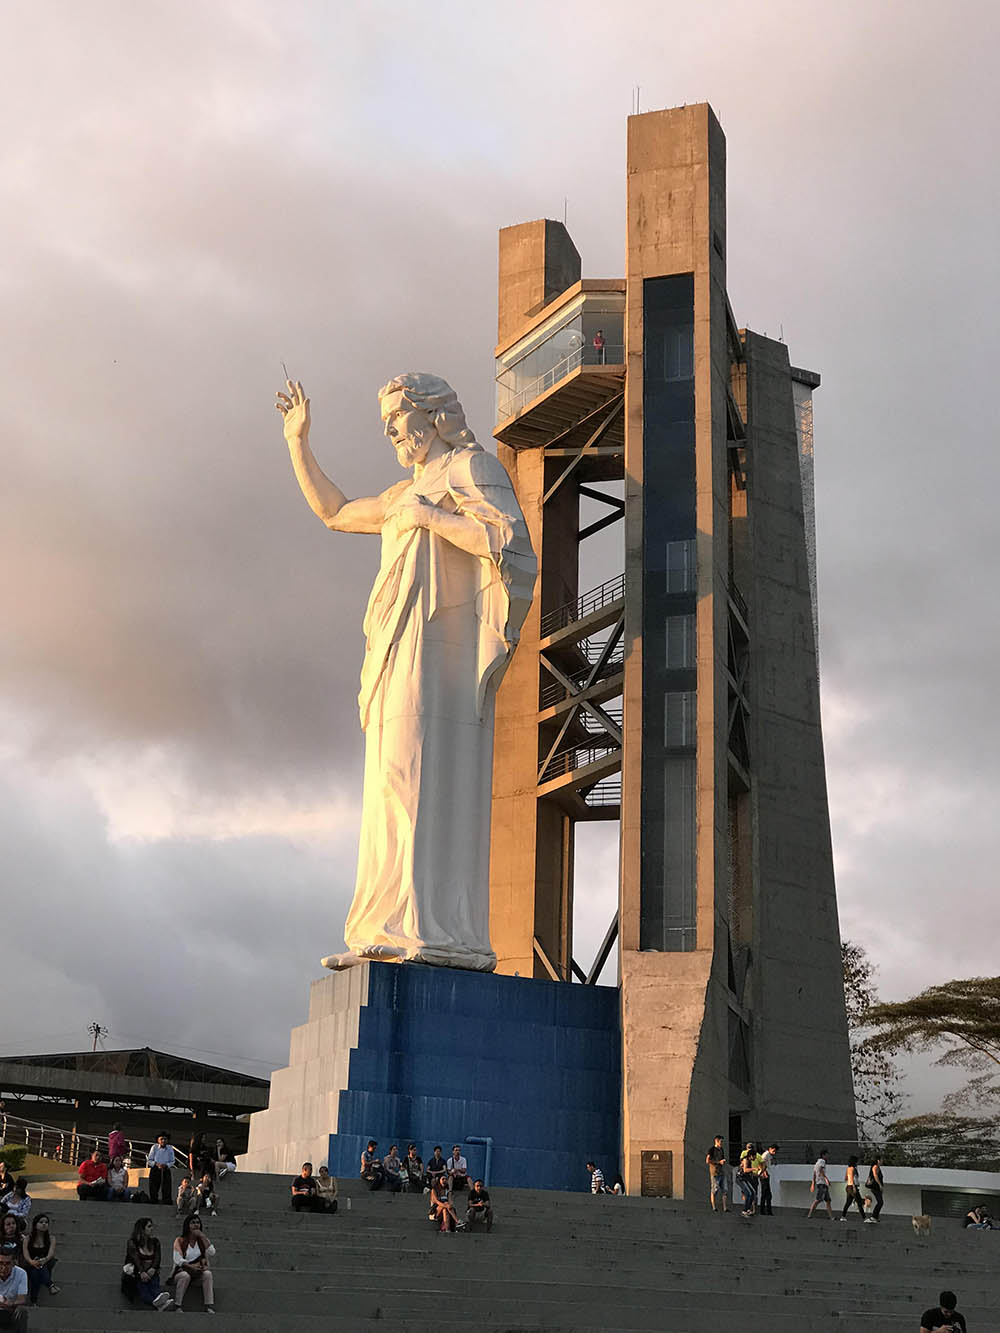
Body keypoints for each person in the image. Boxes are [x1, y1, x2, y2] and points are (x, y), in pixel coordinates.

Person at [277, 374, 535, 973]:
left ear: (434, 415)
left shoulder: (471, 469)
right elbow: (336, 512)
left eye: (398, 416)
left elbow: (511, 547)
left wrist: (431, 518)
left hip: (439, 649)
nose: (391, 430)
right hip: (395, 644)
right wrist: (298, 442)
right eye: (387, 422)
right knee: (389, 779)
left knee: (418, 774)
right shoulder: (401, 493)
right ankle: (385, 923)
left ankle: (429, 928)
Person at [122, 1216, 173, 1311]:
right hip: (136, 1275)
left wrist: (153, 1268)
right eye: (149, 1226)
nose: (152, 1229)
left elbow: (157, 1257)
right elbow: (135, 1258)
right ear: (142, 1229)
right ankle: (160, 1304)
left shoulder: (155, 1242)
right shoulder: (132, 1242)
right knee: (143, 1291)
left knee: (154, 1287)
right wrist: (142, 1272)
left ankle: (160, 1301)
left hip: (151, 1272)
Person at [170, 1215, 215, 1314]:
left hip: (197, 1274)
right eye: (193, 1223)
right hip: (182, 1273)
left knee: (208, 1274)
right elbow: (178, 1260)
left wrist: (202, 1236)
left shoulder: (202, 1241)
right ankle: (178, 1305)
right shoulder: (179, 1240)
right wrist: (191, 1267)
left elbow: (212, 1252)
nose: (196, 1225)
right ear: (187, 1225)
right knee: (185, 1276)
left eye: (197, 1223)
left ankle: (208, 1305)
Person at [20, 1214, 58, 1307]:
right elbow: (26, 1254)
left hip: (45, 1265)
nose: (44, 1224)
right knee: (35, 1271)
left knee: (37, 1272)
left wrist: (43, 1260)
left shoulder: (51, 1238)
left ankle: (34, 1301)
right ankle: (50, 1285)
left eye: (46, 1222)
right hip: (29, 1265)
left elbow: (51, 1254)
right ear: (35, 1224)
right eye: (41, 1222)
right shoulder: (28, 1238)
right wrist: (32, 1262)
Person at [0, 1243, 27, 1328]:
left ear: (14, 1263)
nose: (3, 1267)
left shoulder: (21, 1273)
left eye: (7, 1263)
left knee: (22, 1311)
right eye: (0, 1263)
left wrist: (10, 1303)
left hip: (10, 1309)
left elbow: (22, 1300)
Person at [146, 1135, 176, 1206]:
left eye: (165, 1139)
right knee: (153, 1185)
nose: (163, 1141)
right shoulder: (154, 1147)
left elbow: (172, 1160)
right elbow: (149, 1160)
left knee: (166, 1186)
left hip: (165, 1168)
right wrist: (156, 1164)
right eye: (161, 1139)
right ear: (158, 1140)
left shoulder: (170, 1148)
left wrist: (167, 1165)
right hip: (155, 1168)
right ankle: (153, 1199)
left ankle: (166, 1201)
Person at [807, 1149, 833, 1220]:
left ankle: (831, 1217)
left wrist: (813, 1183)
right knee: (818, 1199)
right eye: (827, 1154)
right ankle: (809, 1214)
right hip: (822, 1183)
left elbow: (814, 1174)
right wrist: (826, 1179)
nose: (828, 1156)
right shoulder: (822, 1161)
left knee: (828, 1200)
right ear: (823, 1155)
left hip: (820, 1182)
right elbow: (821, 1171)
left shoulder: (816, 1163)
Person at [705, 1136, 728, 1213]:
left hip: (721, 1171)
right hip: (715, 1172)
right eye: (721, 1141)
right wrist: (718, 1162)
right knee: (715, 1189)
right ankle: (714, 1207)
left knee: (725, 1189)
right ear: (716, 1141)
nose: (722, 1143)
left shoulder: (721, 1149)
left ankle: (725, 1208)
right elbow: (707, 1160)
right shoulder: (711, 1150)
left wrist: (722, 1161)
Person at [839, 1155, 866, 1221]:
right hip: (852, 1187)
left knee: (848, 1202)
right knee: (859, 1202)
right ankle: (864, 1218)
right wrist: (854, 1186)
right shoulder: (852, 1169)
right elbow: (851, 1178)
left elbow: (846, 1178)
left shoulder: (848, 1169)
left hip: (848, 1187)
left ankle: (843, 1216)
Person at [737, 1144, 758, 1217]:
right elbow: (745, 1170)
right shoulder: (745, 1160)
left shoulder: (749, 1161)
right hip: (741, 1178)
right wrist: (754, 1169)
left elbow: (750, 1172)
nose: (755, 1157)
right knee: (748, 1193)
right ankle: (744, 1210)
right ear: (751, 1156)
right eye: (755, 1156)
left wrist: (758, 1175)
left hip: (745, 1178)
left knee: (753, 1192)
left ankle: (748, 1209)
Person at [758, 1144, 778, 1216]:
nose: (774, 1153)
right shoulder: (766, 1154)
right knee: (765, 1193)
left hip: (766, 1175)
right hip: (763, 1175)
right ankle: (763, 1211)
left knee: (767, 1194)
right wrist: (764, 1172)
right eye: (773, 1151)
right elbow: (760, 1163)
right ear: (770, 1149)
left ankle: (767, 1211)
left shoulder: (769, 1155)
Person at [864, 1155, 884, 1223]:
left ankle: (876, 1217)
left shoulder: (878, 1167)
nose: (882, 1161)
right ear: (878, 1160)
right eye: (881, 1159)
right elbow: (875, 1176)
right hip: (875, 1187)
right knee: (880, 1202)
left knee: (880, 1202)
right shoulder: (875, 1167)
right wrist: (880, 1185)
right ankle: (873, 1217)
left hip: (877, 1187)